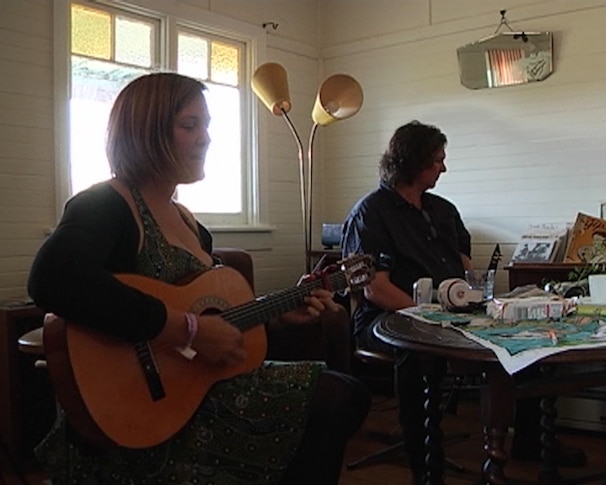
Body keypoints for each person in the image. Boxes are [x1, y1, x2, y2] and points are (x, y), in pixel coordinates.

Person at [27, 72, 370, 485]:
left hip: (194, 390)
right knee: (336, 397)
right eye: (190, 126)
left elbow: (216, 327)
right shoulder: (107, 203)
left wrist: (277, 317)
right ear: (146, 132)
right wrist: (187, 330)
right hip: (137, 405)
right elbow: (52, 276)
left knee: (342, 395)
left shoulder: (191, 224)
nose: (206, 138)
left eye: (206, 126)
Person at [342, 120, 584, 483]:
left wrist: (481, 304)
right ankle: (424, 464)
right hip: (390, 319)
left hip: (451, 315)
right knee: (415, 350)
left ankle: (532, 442)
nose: (444, 167)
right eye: (438, 159)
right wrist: (428, 315)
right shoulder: (370, 213)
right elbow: (376, 289)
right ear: (413, 161)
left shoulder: (443, 210)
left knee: (528, 336)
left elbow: (467, 269)